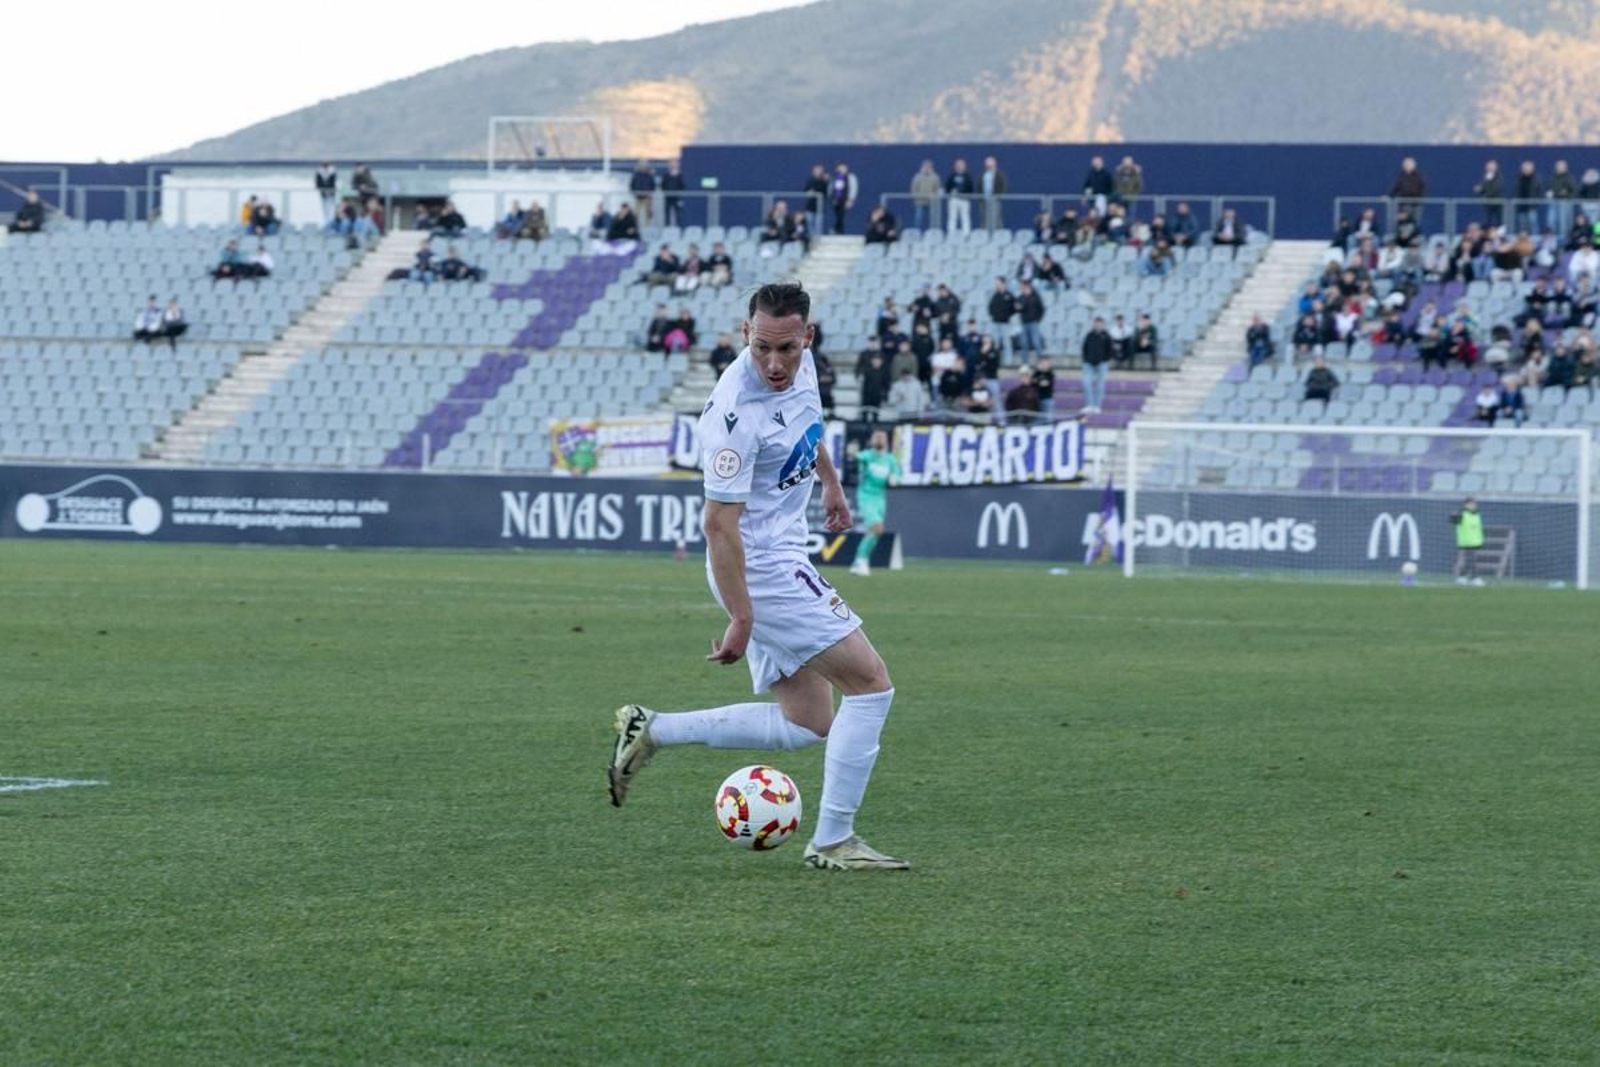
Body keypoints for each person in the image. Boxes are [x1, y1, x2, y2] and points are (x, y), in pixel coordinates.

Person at [607, 282, 908, 872]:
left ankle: (653, 730)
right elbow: (718, 525)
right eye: (763, 348)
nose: (775, 363)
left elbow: (809, 422)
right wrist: (743, 616)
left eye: (787, 349)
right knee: (872, 685)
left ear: (807, 339)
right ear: (745, 334)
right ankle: (833, 842)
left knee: (809, 723)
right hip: (759, 567)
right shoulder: (732, 416)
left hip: (783, 554)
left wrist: (831, 483)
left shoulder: (804, 365)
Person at [848, 429, 901, 578]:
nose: (879, 439)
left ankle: (858, 562)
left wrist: (895, 478)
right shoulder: (867, 455)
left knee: (875, 532)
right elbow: (856, 456)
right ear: (872, 440)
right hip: (866, 495)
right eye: (876, 437)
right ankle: (862, 561)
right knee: (877, 528)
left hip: (880, 498)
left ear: (886, 441)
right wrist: (852, 452)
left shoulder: (890, 459)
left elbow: (897, 473)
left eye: (881, 437)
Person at [1081, 317, 1113, 414]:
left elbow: (1110, 349)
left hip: (1101, 363)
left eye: (1100, 323)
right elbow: (1084, 347)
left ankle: (1097, 405)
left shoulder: (1106, 336)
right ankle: (1090, 404)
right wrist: (1085, 359)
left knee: (1100, 385)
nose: (1098, 325)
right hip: (1088, 363)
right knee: (1086, 382)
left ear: (1103, 325)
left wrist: (1105, 360)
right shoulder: (1089, 335)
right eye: (1096, 323)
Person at [1452, 497, 1485, 586]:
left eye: (1474, 504)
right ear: (1465, 505)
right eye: (1470, 504)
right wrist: (1453, 516)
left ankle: (1462, 577)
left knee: (1469, 560)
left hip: (1476, 541)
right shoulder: (1462, 514)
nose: (1473, 506)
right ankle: (1475, 578)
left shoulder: (1477, 514)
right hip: (1466, 541)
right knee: (1471, 559)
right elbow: (1454, 521)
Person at [910, 160, 940, 231]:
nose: (927, 168)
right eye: (925, 167)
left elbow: (937, 188)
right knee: (918, 218)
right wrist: (916, 197)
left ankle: (933, 233)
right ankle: (917, 232)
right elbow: (914, 188)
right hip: (920, 202)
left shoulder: (935, 177)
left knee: (933, 218)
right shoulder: (917, 177)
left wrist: (934, 197)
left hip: (931, 202)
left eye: (929, 167)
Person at [945, 158, 973, 235]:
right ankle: (951, 233)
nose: (959, 167)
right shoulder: (952, 175)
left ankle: (966, 234)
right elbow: (947, 186)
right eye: (957, 165)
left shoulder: (967, 176)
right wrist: (951, 191)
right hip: (954, 199)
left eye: (961, 165)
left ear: (964, 166)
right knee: (952, 217)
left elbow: (970, 187)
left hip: (964, 200)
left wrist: (964, 192)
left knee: (965, 217)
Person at [828, 163, 857, 235]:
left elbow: (853, 188)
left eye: (843, 167)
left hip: (844, 199)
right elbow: (831, 187)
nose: (842, 169)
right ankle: (837, 230)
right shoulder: (835, 177)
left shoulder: (850, 177)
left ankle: (838, 230)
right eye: (840, 167)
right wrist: (830, 196)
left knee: (841, 214)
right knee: (838, 214)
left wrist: (851, 199)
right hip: (835, 199)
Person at [980, 156, 1006, 232]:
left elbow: (1002, 186)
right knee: (984, 218)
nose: (989, 167)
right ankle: (985, 233)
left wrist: (998, 196)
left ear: (994, 165)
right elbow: (979, 186)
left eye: (990, 165)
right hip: (984, 200)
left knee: (995, 217)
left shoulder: (999, 175)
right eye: (987, 166)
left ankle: (996, 233)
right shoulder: (984, 175)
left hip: (994, 199)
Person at [661, 160, 686, 226]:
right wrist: (666, 191)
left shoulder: (680, 174)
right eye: (672, 164)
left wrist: (678, 193)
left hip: (677, 197)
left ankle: (678, 227)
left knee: (678, 214)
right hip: (668, 197)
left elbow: (682, 185)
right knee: (667, 214)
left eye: (675, 164)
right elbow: (663, 184)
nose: (673, 165)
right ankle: (667, 227)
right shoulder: (666, 174)